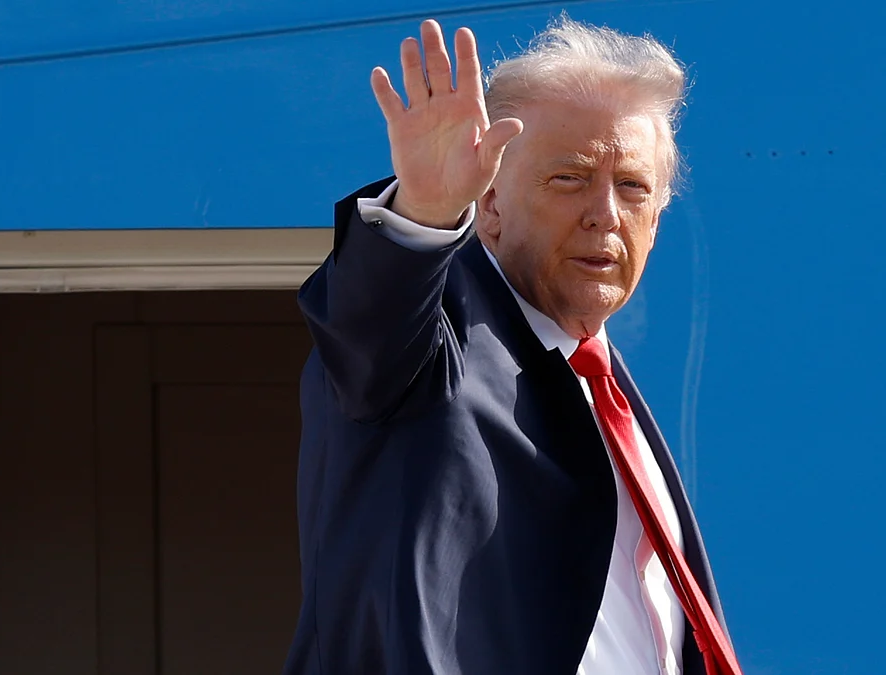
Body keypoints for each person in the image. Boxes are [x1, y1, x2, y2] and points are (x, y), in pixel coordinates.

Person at [285, 15, 742, 675]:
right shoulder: (435, 341)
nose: (605, 213)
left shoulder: (601, 383)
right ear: (490, 200)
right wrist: (424, 210)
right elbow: (367, 331)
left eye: (633, 186)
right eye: (569, 178)